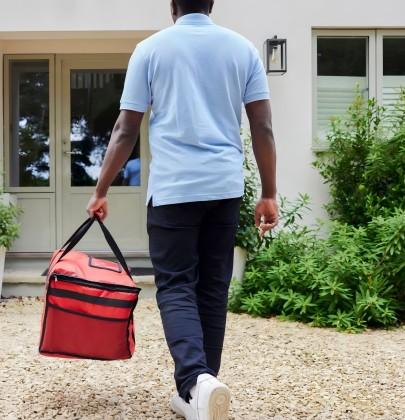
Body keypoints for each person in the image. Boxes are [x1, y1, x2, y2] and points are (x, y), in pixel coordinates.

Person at [86, 0, 278, 418]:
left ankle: (196, 379)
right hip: (224, 188)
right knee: (212, 287)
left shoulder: (151, 50)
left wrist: (102, 189)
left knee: (175, 286)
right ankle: (199, 393)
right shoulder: (242, 49)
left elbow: (125, 129)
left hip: (174, 189)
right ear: (212, 3)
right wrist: (269, 192)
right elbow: (262, 127)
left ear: (172, 5)